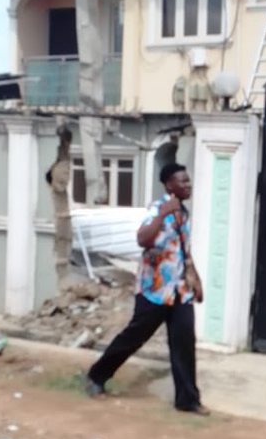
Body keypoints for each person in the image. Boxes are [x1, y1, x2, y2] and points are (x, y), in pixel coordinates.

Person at [85, 162, 209, 414]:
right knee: (134, 337)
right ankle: (96, 376)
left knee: (184, 342)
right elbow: (142, 239)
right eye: (183, 181)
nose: (188, 185)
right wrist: (163, 213)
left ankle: (188, 400)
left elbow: (182, 249)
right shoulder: (157, 209)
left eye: (188, 181)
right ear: (169, 185)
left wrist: (195, 279)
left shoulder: (183, 214)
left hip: (179, 291)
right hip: (154, 290)